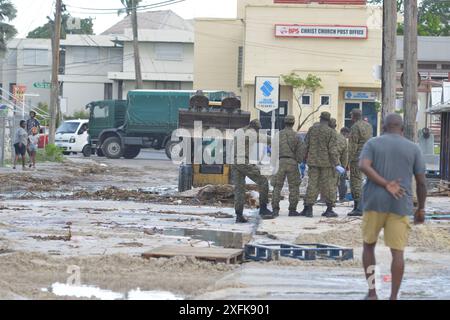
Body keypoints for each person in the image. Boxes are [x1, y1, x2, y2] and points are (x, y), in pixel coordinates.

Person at [359, 113, 427, 300]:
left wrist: (384, 183)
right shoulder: (414, 148)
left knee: (368, 246)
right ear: (403, 129)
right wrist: (421, 208)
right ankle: (393, 297)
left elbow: (364, 166)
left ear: (383, 127)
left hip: (373, 202)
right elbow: (421, 182)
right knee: (398, 253)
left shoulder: (372, 144)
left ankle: (372, 293)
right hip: (400, 204)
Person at [299, 112, 342, 218]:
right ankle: (329, 209)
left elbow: (306, 145)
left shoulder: (312, 130)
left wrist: (303, 160)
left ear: (320, 119)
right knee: (328, 186)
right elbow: (332, 150)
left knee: (312, 184)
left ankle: (308, 209)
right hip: (326, 164)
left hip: (313, 162)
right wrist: (337, 164)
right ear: (328, 120)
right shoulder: (331, 132)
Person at [233, 119, 274, 223]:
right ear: (255, 128)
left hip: (235, 161)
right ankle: (263, 209)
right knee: (263, 180)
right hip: (243, 161)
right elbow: (265, 139)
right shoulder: (251, 133)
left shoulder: (239, 131)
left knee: (239, 189)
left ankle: (239, 215)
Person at [271, 115, 306, 217]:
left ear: (284, 122)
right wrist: (298, 161)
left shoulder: (278, 135)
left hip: (280, 162)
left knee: (277, 187)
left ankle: (275, 209)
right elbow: (301, 152)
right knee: (294, 187)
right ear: (293, 123)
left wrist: (273, 164)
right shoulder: (297, 136)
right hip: (292, 163)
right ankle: (292, 210)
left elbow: (273, 151)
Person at [347, 109, 373, 216]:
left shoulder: (355, 127)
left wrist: (348, 160)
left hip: (357, 157)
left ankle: (358, 207)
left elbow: (353, 145)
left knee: (356, 182)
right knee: (365, 182)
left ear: (354, 116)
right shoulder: (369, 126)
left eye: (351, 116)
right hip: (368, 156)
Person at [328, 119, 349, 206]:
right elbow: (345, 156)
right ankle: (341, 198)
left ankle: (325, 198)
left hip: (325, 163)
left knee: (326, 182)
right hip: (337, 163)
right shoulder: (342, 139)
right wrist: (343, 167)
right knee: (340, 181)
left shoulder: (325, 135)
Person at [338, 127, 350, 202]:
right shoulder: (344, 141)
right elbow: (345, 155)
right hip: (340, 164)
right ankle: (342, 198)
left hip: (332, 163)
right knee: (342, 181)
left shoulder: (334, 137)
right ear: (345, 133)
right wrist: (345, 166)